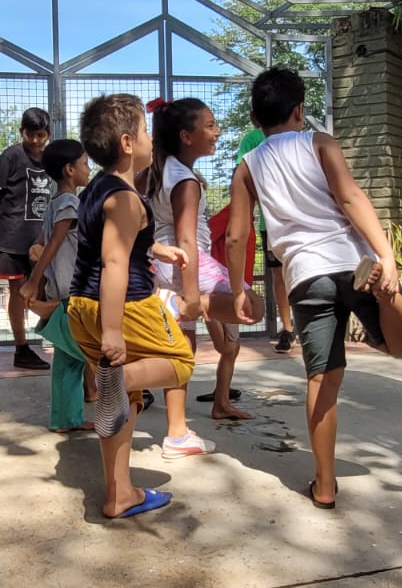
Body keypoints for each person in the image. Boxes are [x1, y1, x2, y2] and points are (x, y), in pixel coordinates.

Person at [227, 67, 402, 510]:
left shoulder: (248, 166)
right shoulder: (320, 143)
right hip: (352, 261)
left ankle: (323, 485)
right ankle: (388, 294)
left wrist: (240, 287)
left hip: (306, 276)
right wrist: (386, 254)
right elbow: (351, 197)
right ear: (299, 110)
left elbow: (236, 236)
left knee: (322, 378)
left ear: (256, 119)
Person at [67, 93, 197, 519]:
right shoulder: (126, 198)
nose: (150, 139)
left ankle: (120, 493)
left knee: (128, 400)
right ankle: (116, 379)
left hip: (81, 306)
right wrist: (112, 330)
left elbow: (114, 241)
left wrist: (158, 249)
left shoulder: (98, 190)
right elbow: (115, 260)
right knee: (180, 362)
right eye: (143, 131)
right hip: (124, 308)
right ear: (127, 143)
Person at [140, 97, 263, 424]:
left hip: (165, 265)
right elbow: (186, 241)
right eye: (209, 125)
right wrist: (193, 298)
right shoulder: (184, 181)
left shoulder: (156, 171)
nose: (217, 131)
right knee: (253, 306)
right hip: (186, 263)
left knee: (185, 349)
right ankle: (180, 304)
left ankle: (180, 427)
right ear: (186, 135)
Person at [21, 138, 95, 432]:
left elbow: (43, 241)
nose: (89, 169)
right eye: (85, 164)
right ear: (69, 170)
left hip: (61, 288)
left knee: (67, 362)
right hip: (72, 289)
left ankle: (65, 420)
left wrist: (36, 261)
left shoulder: (55, 204)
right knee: (91, 350)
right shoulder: (69, 202)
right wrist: (33, 280)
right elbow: (54, 241)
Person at [0, 108, 54, 370]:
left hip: (40, 238)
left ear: (47, 134)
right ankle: (21, 348)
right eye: (30, 135)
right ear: (21, 132)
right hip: (12, 236)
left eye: (40, 135)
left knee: (45, 287)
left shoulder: (49, 159)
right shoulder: (12, 155)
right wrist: (10, 204)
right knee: (17, 291)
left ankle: (54, 338)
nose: (35, 141)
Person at [236, 127, 297, 353]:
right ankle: (287, 329)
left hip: (299, 220)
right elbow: (243, 176)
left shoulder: (299, 139)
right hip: (270, 223)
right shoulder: (252, 139)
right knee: (279, 275)